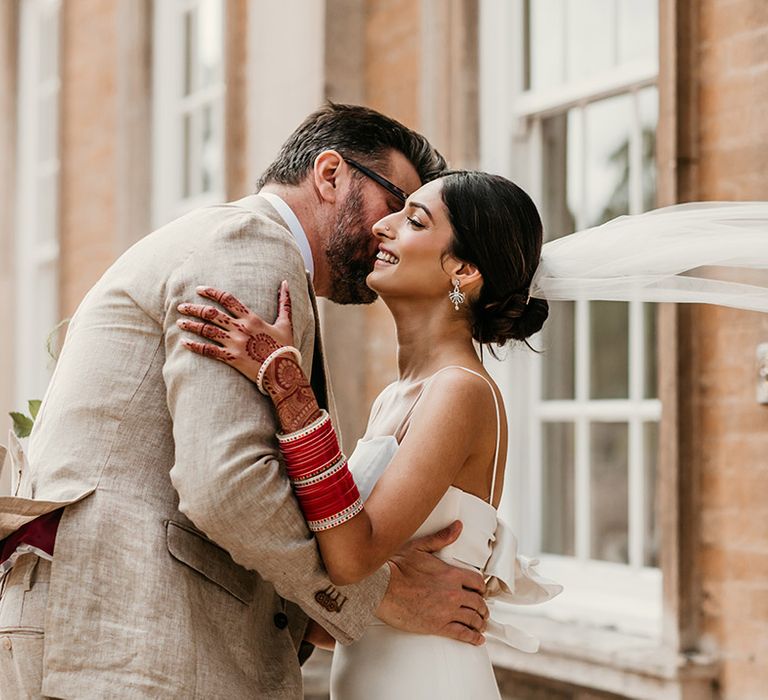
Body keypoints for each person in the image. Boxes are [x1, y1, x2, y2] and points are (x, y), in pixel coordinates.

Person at [0, 104, 492, 699]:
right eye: (396, 205)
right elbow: (227, 486)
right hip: (132, 634)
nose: (388, 231)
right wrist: (383, 596)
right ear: (330, 174)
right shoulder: (252, 246)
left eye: (414, 220)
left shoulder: (238, 245)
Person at [177, 170, 564, 699]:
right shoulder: (396, 396)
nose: (383, 225)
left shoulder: (460, 390)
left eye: (414, 220)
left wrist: (289, 389)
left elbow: (354, 555)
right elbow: (346, 565)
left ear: (465, 269)